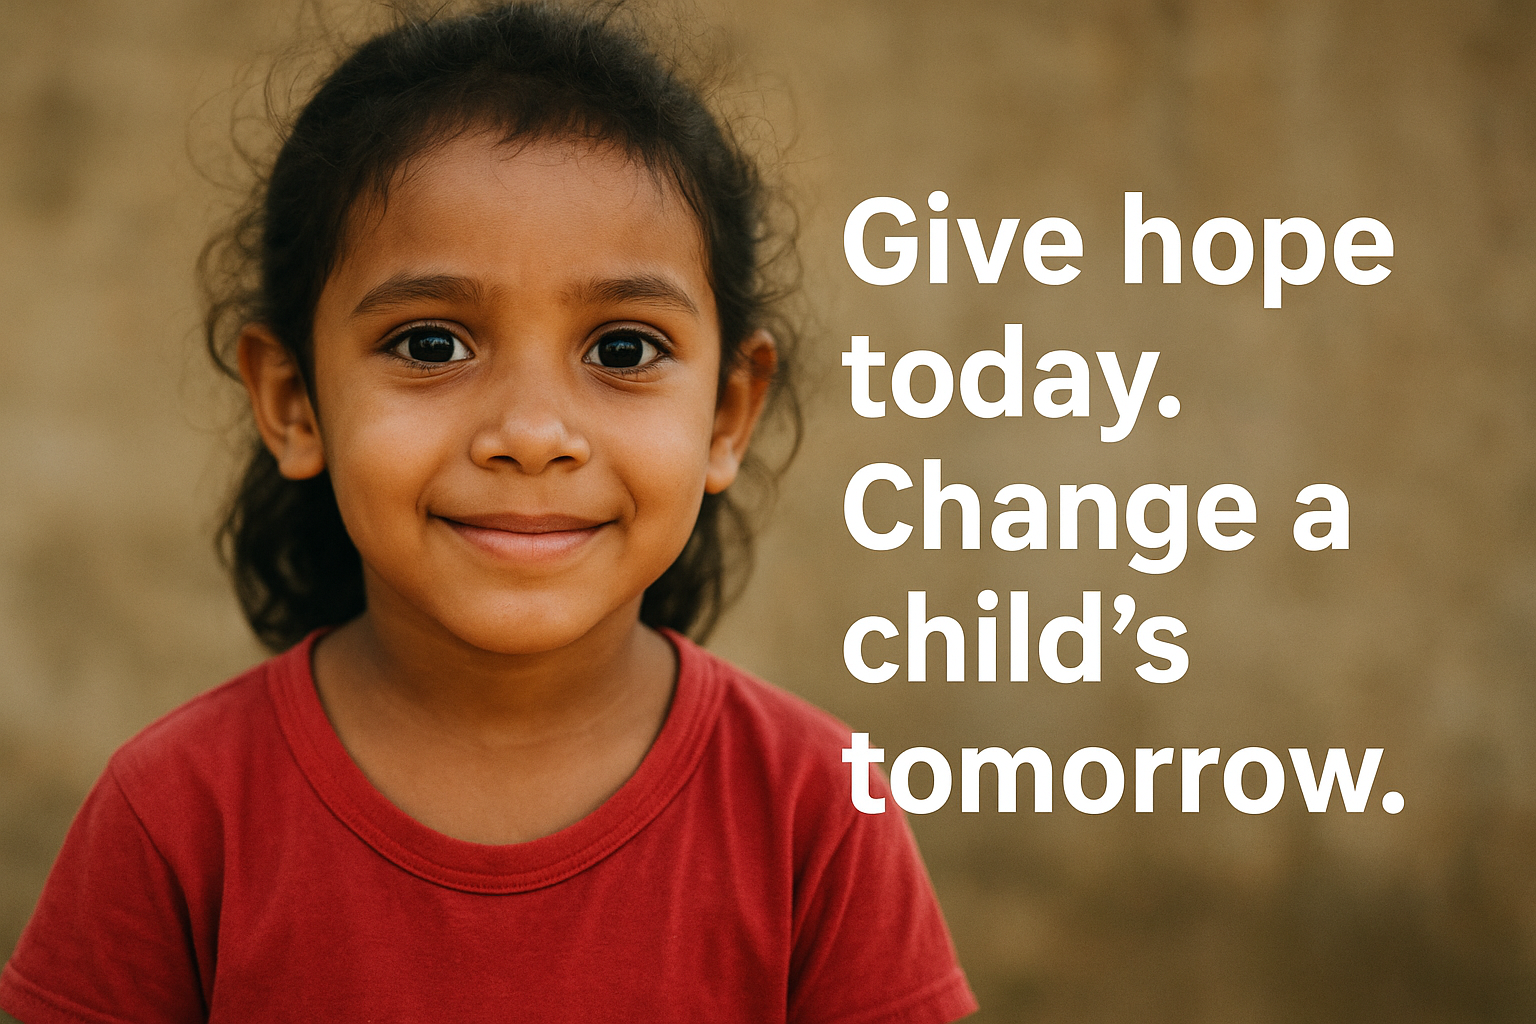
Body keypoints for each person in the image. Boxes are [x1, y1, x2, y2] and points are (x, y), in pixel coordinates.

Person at [0, 3, 976, 1021]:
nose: (532, 430)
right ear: (294, 402)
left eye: (624, 348)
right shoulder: (175, 817)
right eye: (431, 344)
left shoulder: (814, 811)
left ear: (728, 412)